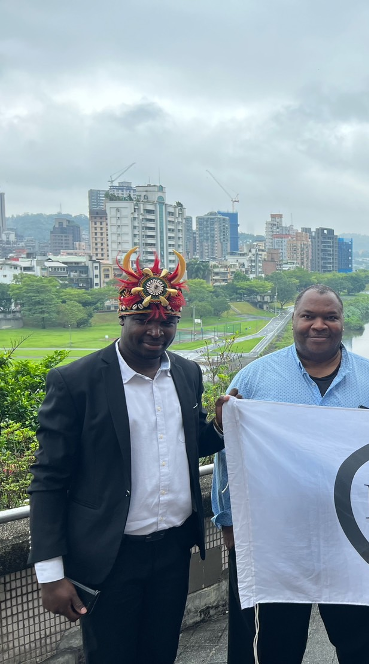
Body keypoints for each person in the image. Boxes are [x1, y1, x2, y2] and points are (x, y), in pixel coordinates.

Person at [28, 248, 235, 664]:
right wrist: (50, 575)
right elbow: (49, 478)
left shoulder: (187, 373)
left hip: (174, 550)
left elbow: (189, 445)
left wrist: (218, 428)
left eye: (167, 321)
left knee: (161, 652)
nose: (156, 331)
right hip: (109, 555)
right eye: (143, 320)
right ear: (123, 318)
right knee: (110, 657)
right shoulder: (75, 382)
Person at [211, 283, 369, 664]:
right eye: (308, 316)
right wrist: (228, 521)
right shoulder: (254, 378)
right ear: (293, 320)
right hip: (274, 541)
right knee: (273, 646)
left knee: (365, 644)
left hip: (355, 539)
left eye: (330, 317)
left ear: (343, 322)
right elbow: (227, 455)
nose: (319, 325)